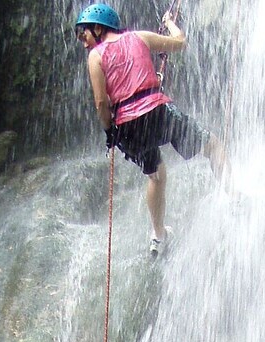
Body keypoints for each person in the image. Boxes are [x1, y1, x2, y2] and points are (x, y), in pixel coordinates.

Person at [75, 3, 232, 255]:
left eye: (83, 33)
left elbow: (101, 102)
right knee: (212, 144)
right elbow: (180, 42)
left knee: (155, 175)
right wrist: (169, 21)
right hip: (157, 111)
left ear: (98, 28)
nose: (82, 41)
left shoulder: (96, 56)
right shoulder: (140, 37)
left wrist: (109, 131)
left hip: (128, 125)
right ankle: (233, 196)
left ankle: (158, 235)